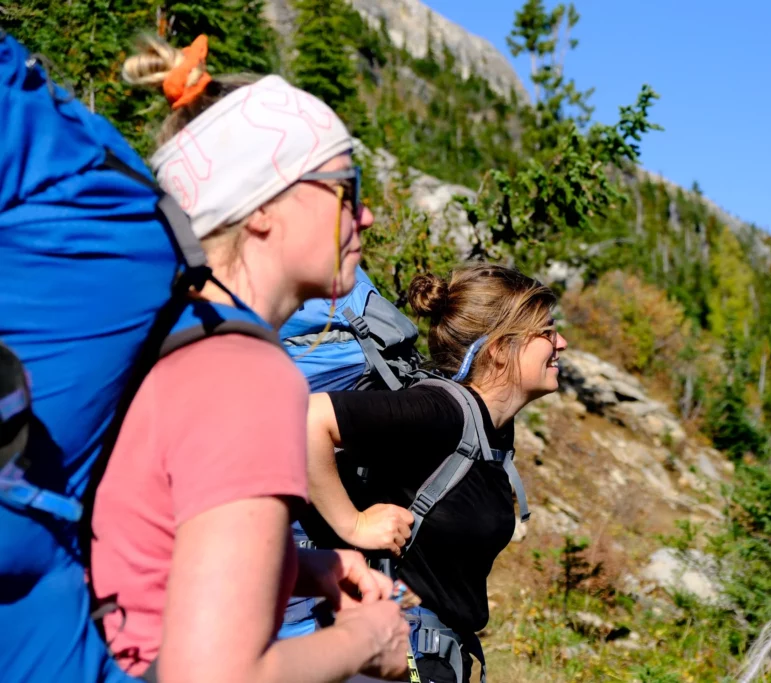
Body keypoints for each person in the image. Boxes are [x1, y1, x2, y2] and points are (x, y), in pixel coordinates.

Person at [88, 34, 409, 682]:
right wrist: (369, 642)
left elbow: (155, 550)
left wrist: (305, 568)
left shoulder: (176, 336)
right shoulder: (249, 374)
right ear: (262, 208)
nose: (366, 214)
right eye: (346, 185)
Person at [305, 263, 569, 683]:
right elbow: (309, 418)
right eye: (547, 331)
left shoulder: (490, 430)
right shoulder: (440, 411)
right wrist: (351, 523)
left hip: (433, 656)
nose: (562, 343)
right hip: (398, 656)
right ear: (500, 348)